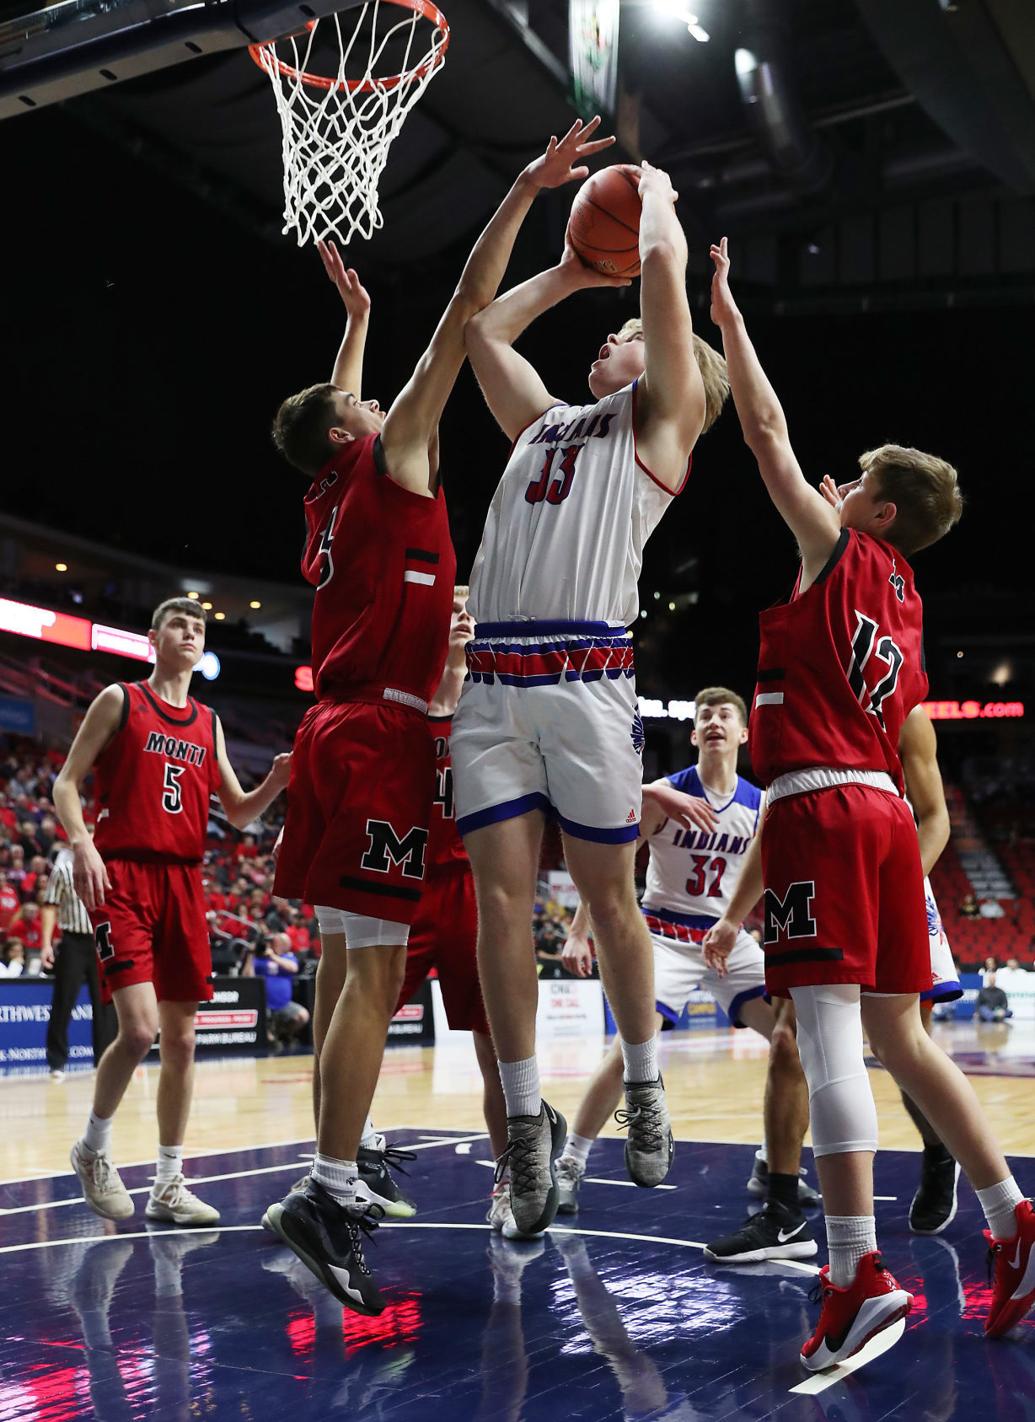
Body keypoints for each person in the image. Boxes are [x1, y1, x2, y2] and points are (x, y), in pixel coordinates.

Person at [261, 119, 620, 1315]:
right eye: (363, 405)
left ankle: (336, 1167)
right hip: (384, 736)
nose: (379, 409)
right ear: (356, 435)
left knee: (339, 964)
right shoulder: (388, 456)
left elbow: (342, 404)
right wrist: (526, 191)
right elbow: (467, 312)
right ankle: (324, 1190)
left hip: (328, 730)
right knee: (370, 975)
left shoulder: (329, 489)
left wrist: (351, 332)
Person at [708, 234, 1033, 1371]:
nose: (834, 484)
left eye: (856, 480)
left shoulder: (835, 548)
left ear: (879, 512)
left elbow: (762, 434)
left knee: (832, 1035)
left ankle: (855, 1269)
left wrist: (728, 314)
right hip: (888, 818)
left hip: (821, 808)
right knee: (899, 1032)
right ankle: (1014, 1219)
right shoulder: (906, 601)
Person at [452, 158, 730, 1238]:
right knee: (502, 908)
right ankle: (527, 1126)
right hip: (494, 685)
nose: (600, 340)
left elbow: (662, 282)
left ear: (665, 371)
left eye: (615, 333)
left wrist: (656, 199)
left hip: (585, 677)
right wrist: (566, 265)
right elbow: (481, 335)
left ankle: (646, 1083)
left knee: (612, 904)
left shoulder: (658, 432)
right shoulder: (545, 423)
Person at [557, 687, 819, 1264]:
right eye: (705, 716)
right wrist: (580, 929)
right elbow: (613, 863)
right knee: (634, 1049)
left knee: (799, 1042)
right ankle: (570, 1163)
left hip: (729, 937)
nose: (714, 721)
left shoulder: (760, 803)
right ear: (695, 735)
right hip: (662, 934)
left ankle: (772, 1162)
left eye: (726, 714)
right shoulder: (669, 793)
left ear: (745, 733)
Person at [53, 597, 291, 1227]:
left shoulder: (208, 722)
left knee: (182, 1041)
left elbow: (238, 813)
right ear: (153, 638)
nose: (191, 632)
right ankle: (92, 1150)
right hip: (123, 875)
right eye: (180, 625)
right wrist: (82, 843)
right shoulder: (120, 699)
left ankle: (167, 1183)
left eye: (200, 628)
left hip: (185, 882)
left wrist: (275, 781)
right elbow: (66, 783)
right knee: (138, 1030)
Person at [41, 835, 116, 1080]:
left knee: (105, 1005)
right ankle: (57, 1062)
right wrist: (45, 945)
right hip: (73, 940)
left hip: (101, 940)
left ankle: (104, 1062)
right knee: (63, 1002)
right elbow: (50, 905)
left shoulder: (106, 866)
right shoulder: (62, 869)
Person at [246, 932, 310, 1049]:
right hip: (263, 1004)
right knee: (269, 1040)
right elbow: (248, 977)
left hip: (283, 1004)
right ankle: (272, 1038)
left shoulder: (288, 957)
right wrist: (251, 955)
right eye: (280, 942)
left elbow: (293, 968)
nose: (286, 945)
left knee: (302, 1016)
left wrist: (273, 957)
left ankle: (283, 1034)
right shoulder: (259, 958)